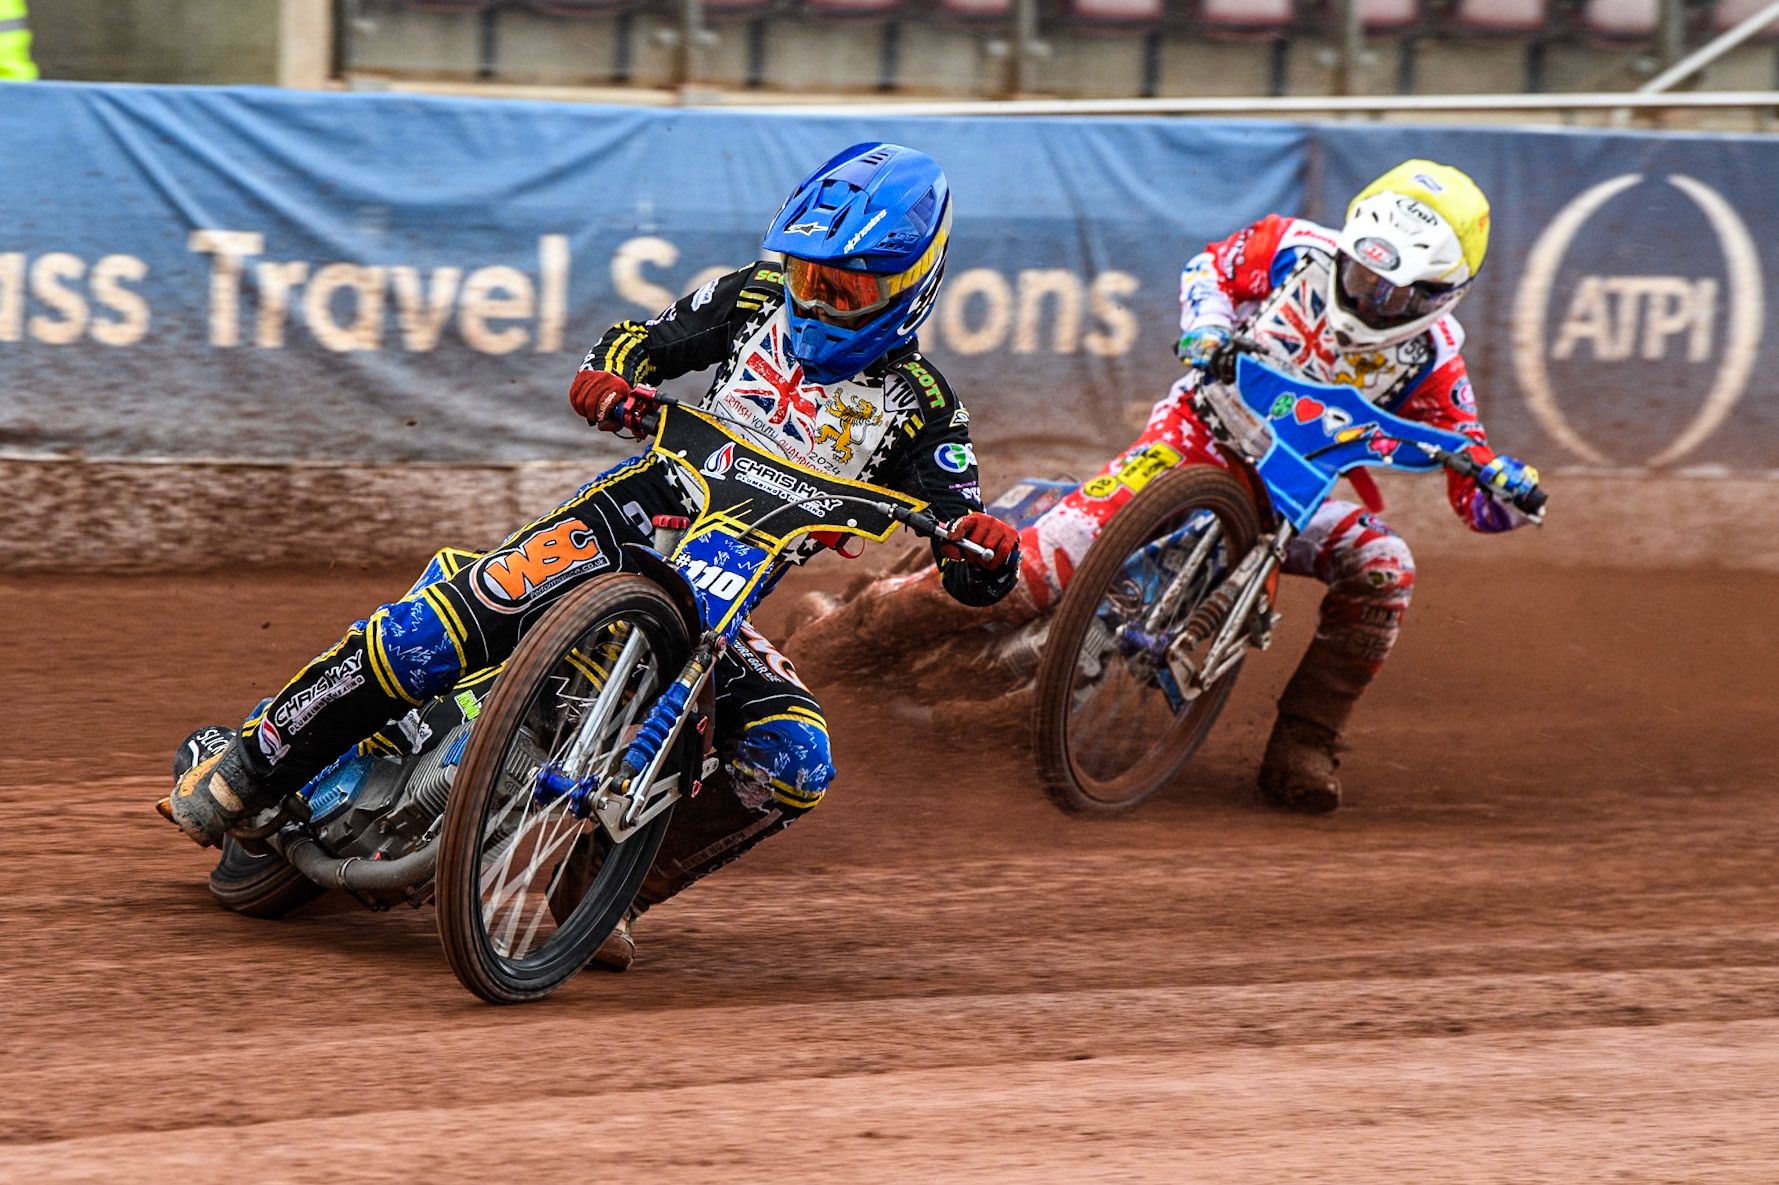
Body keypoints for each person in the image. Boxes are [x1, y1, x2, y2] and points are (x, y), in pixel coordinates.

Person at [161, 142, 1021, 967]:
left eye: (841, 286)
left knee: (793, 757)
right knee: (442, 626)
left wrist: (984, 549)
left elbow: (966, 541)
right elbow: (631, 342)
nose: (815, 297)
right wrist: (609, 378)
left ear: (908, 288)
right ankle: (249, 764)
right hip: (628, 519)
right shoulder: (753, 298)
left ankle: (601, 888)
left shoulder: (922, 409)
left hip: (718, 605)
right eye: (805, 273)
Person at [791, 159, 1540, 815]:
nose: (1369, 295)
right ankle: (824, 651)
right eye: (1362, 272)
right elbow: (1210, 269)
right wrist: (1207, 329)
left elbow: (1470, 484)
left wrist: (1505, 493)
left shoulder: (1435, 361)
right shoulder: (1291, 248)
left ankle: (1306, 741)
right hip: (1192, 437)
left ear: (1440, 294)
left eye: (1392, 290)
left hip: (1294, 492)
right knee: (1022, 576)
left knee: (1386, 564)